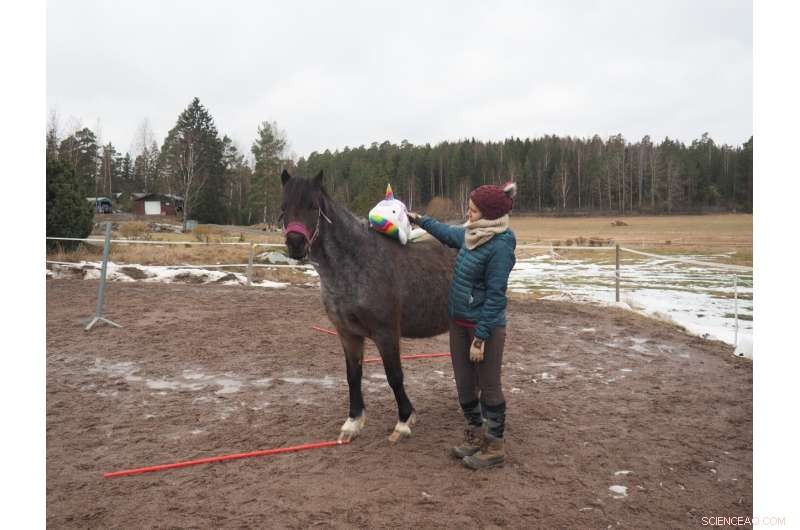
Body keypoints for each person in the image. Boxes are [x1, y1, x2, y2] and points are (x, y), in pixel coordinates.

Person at [408, 182, 517, 470]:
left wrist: (480, 338)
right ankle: (475, 435)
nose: (468, 215)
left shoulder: (501, 245)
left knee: (489, 387)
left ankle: (494, 447)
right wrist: (420, 219)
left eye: (473, 211)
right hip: (458, 322)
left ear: (489, 215)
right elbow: (446, 233)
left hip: (485, 328)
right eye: (469, 209)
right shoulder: (470, 235)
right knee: (465, 386)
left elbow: (496, 296)